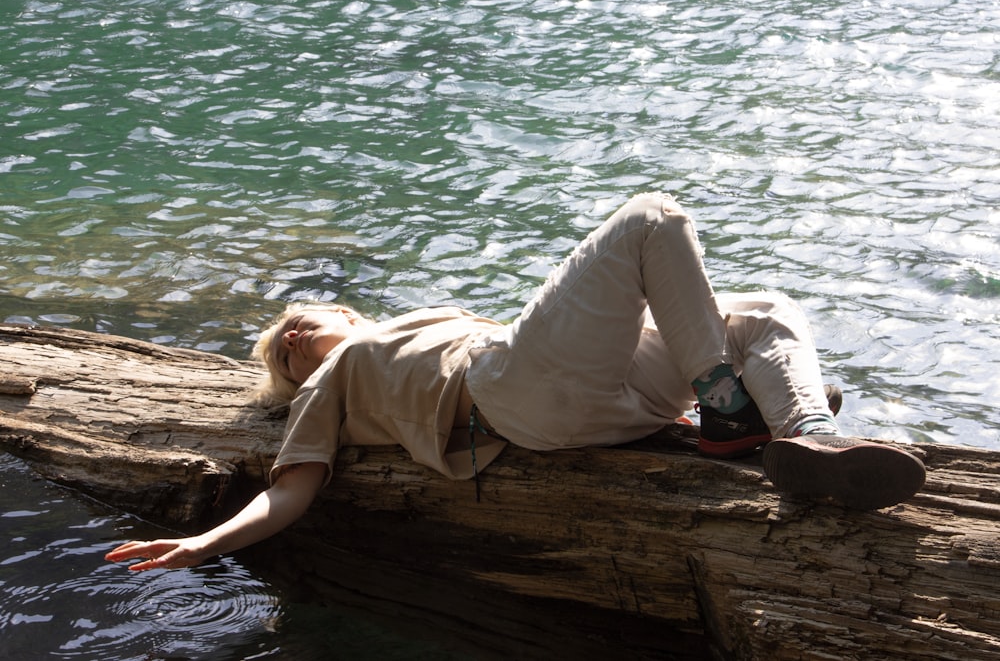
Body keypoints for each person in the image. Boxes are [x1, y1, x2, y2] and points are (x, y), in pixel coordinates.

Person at [105, 192, 926, 572]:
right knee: (650, 218)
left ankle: (808, 437)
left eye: (297, 321)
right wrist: (206, 543)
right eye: (284, 353)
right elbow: (293, 486)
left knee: (766, 309)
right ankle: (730, 406)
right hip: (507, 396)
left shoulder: (412, 324)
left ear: (347, 310)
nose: (291, 338)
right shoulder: (343, 376)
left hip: (589, 394)